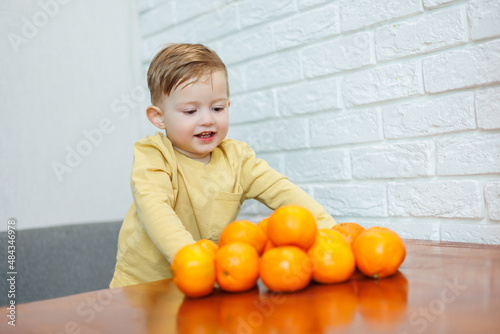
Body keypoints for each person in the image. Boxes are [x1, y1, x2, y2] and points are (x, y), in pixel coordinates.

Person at [110, 43, 336, 288]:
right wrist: (194, 261)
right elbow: (155, 209)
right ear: (159, 117)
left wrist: (332, 234)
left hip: (201, 284)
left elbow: (284, 193)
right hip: (142, 288)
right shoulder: (153, 155)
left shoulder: (237, 159)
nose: (207, 119)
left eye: (217, 108)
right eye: (190, 111)